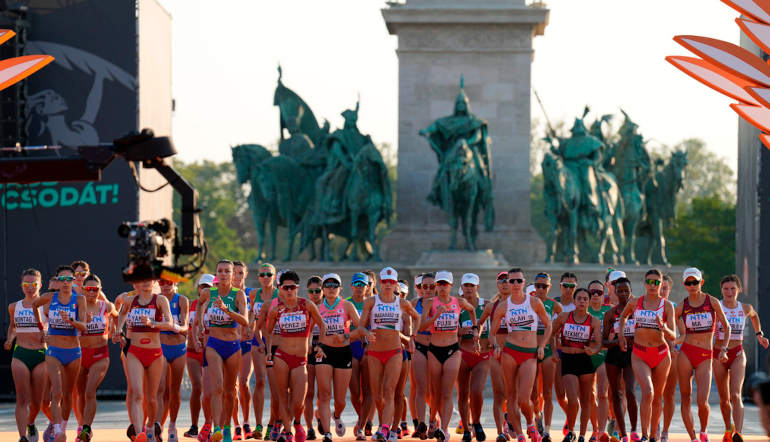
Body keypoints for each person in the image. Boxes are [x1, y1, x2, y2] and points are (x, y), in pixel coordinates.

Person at [261, 270, 326, 442]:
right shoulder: (276, 310)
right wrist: (268, 352)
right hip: (281, 356)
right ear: (280, 289)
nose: (289, 290)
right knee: (282, 395)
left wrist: (320, 345)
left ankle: (297, 422)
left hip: (300, 360)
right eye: (285, 287)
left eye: (292, 287)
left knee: (299, 401)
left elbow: (322, 325)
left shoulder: (307, 305)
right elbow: (268, 333)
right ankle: (287, 431)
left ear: (297, 288)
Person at [358, 267, 421, 442]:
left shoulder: (402, 303)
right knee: (377, 394)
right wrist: (366, 333)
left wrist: (412, 337)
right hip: (375, 353)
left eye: (391, 282)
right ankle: (384, 425)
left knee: (389, 390)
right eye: (384, 281)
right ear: (380, 282)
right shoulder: (371, 301)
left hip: (394, 352)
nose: (387, 284)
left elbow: (417, 317)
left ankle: (386, 428)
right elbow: (361, 325)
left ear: (395, 284)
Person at [491, 268, 552, 442]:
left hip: (529, 354)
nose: (515, 284)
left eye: (519, 281)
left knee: (525, 399)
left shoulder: (534, 302)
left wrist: (542, 346)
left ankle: (531, 424)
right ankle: (519, 434)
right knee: (511, 395)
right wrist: (495, 344)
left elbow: (548, 326)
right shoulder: (503, 306)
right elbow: (492, 332)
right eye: (512, 281)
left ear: (524, 282)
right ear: (508, 283)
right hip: (510, 352)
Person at [115, 269, 175, 442]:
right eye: (142, 279)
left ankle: (150, 427)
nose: (146, 282)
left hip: (155, 353)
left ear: (154, 281)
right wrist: (118, 331)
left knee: (152, 398)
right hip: (135, 352)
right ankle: (139, 431)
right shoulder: (130, 300)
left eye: (149, 279)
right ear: (136, 283)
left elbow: (170, 323)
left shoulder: (160, 300)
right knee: (137, 393)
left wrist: (153, 323)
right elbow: (122, 314)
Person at [419, 271, 478, 441]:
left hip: (453, 349)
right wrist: (436, 315)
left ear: (451, 286)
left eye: (445, 284)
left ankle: (444, 429)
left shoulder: (458, 302)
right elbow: (422, 325)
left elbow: (472, 310)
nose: (442, 287)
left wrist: (475, 329)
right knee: (435, 392)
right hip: (434, 349)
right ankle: (432, 420)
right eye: (439, 284)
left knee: (447, 391)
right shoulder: (430, 303)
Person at [618, 270, 676, 442]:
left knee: (657, 397)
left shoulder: (666, 306)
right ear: (644, 283)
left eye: (656, 283)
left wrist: (663, 327)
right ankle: (644, 435)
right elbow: (623, 318)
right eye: (649, 282)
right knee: (648, 392)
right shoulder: (635, 302)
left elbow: (673, 334)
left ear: (660, 284)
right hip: (640, 353)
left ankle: (652, 436)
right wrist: (621, 335)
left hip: (661, 354)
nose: (652, 285)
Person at [196, 260, 250, 442]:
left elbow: (245, 321)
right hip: (214, 344)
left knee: (230, 390)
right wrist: (199, 326)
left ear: (233, 274)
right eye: (220, 271)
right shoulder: (208, 293)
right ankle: (217, 427)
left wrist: (226, 309)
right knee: (216, 388)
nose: (224, 274)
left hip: (233, 345)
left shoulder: (238, 295)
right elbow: (199, 304)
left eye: (227, 271)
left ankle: (227, 426)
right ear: (216, 274)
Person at [34, 265, 89, 442]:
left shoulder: (79, 299)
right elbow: (34, 306)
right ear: (57, 281)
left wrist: (70, 320)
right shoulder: (50, 297)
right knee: (56, 392)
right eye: (62, 279)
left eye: (69, 279)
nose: (65, 283)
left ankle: (63, 428)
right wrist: (42, 329)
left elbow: (84, 326)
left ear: (73, 281)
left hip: (73, 352)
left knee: (67, 394)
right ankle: (57, 431)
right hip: (54, 351)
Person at [674, 267, 730, 442]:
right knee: (685, 397)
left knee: (702, 401)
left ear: (701, 282)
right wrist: (676, 336)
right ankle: (693, 438)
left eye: (695, 282)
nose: (692, 286)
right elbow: (673, 321)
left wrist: (724, 349)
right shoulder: (682, 305)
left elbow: (727, 327)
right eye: (688, 283)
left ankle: (703, 430)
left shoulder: (711, 301)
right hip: (686, 353)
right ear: (684, 284)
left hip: (706, 355)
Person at [713, 274, 769, 442]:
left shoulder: (744, 307)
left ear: (739, 290)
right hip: (718, 354)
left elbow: (754, 315)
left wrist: (759, 334)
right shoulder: (717, 307)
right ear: (721, 290)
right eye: (725, 289)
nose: (729, 292)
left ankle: (738, 432)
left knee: (736, 394)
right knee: (724, 400)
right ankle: (728, 428)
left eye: (732, 289)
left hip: (737, 352)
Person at [552, 288, 602, 442]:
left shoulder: (593, 320)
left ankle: (581, 434)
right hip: (568, 359)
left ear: (589, 302)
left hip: (584, 360)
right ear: (574, 301)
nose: (582, 301)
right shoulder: (564, 317)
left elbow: (599, 343)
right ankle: (571, 431)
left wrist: (592, 350)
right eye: (579, 298)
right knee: (573, 399)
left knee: (587, 400)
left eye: (585, 299)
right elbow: (551, 333)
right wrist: (554, 351)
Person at [316, 273, 362, 442]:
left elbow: (361, 329)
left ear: (340, 288)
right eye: (327, 285)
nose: (331, 288)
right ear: (323, 289)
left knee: (341, 399)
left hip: (343, 352)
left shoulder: (347, 306)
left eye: (335, 285)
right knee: (325, 394)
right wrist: (315, 346)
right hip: (324, 351)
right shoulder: (316, 306)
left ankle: (336, 415)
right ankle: (327, 433)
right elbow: (308, 331)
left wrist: (347, 336)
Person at [5, 268, 48, 442]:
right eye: (26, 284)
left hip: (40, 354)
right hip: (20, 353)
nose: (30, 287)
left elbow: (53, 326)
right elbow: (13, 326)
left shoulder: (46, 305)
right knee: (22, 397)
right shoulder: (14, 306)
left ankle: (31, 423)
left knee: (37, 402)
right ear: (22, 285)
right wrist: (10, 339)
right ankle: (22, 436)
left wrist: (47, 333)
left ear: (40, 285)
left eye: (33, 284)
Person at [76, 274, 117, 441]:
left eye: (95, 289)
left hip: (100, 355)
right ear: (83, 290)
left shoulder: (106, 306)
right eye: (88, 289)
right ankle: (81, 425)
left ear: (100, 290)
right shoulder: (77, 306)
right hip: (79, 354)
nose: (91, 292)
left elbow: (117, 315)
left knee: (89, 391)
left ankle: (87, 428)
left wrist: (115, 331)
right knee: (80, 393)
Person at [602, 277, 638, 442]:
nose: (623, 294)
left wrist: (634, 340)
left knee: (630, 391)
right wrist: (616, 341)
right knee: (615, 394)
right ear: (615, 293)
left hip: (632, 354)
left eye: (626, 291)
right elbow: (603, 341)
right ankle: (622, 434)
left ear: (631, 292)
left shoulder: (638, 311)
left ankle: (634, 431)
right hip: (614, 355)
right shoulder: (610, 314)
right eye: (620, 291)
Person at [457, 273, 490, 442]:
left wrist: (492, 340)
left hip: (482, 354)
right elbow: (450, 331)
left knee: (476, 391)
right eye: (466, 285)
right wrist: (460, 331)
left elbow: (498, 325)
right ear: (461, 287)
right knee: (463, 393)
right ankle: (466, 428)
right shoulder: (457, 306)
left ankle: (476, 422)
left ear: (477, 287)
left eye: (472, 285)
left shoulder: (487, 306)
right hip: (462, 354)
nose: (469, 288)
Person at [530, 272, 562, 442]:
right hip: (530, 349)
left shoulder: (554, 305)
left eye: (544, 286)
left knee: (548, 393)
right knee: (533, 393)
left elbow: (560, 326)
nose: (541, 289)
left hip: (548, 350)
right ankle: (537, 414)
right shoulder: (528, 302)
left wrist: (556, 348)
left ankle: (547, 431)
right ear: (534, 287)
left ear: (549, 287)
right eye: (538, 286)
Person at [157, 278, 189, 442]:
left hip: (178, 348)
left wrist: (173, 326)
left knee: (174, 391)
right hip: (161, 348)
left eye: (169, 282)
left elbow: (185, 328)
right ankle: (157, 426)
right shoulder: (155, 300)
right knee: (161, 388)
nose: (165, 285)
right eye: (162, 282)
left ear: (175, 283)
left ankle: (172, 425)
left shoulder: (182, 300)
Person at [250, 263, 278, 440]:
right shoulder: (254, 294)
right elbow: (253, 316)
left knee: (277, 386)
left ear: (274, 276)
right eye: (262, 275)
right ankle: (259, 424)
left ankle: (273, 424)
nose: (266, 277)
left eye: (269, 274)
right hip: (258, 339)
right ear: (258, 278)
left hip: (276, 342)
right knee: (259, 381)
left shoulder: (279, 294)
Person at [185, 274, 214, 440]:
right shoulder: (191, 304)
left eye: (209, 287)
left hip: (210, 351)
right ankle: (194, 425)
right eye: (203, 286)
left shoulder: (216, 305)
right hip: (192, 351)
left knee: (209, 391)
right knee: (197, 387)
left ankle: (208, 423)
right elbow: (186, 326)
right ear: (198, 288)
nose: (206, 290)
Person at [410, 272, 435, 439]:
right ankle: (420, 423)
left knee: (434, 389)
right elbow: (408, 326)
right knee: (420, 387)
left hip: (437, 347)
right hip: (419, 346)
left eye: (431, 286)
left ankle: (433, 421)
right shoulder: (413, 303)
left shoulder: (445, 303)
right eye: (423, 286)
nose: (426, 289)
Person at [348, 272, 372, 441]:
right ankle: (361, 418)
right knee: (355, 393)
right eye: (356, 284)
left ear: (367, 287)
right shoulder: (345, 303)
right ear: (351, 286)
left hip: (369, 349)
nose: (358, 287)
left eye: (362, 284)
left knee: (368, 390)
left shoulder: (372, 303)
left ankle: (362, 426)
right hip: (351, 348)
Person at [586, 281, 610, 442]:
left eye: (599, 292)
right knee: (589, 395)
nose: (595, 295)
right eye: (592, 292)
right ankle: (594, 429)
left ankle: (602, 431)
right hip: (586, 355)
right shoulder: (582, 310)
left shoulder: (610, 311)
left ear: (603, 294)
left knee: (602, 393)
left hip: (604, 355)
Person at [233, 261, 254, 441]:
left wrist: (251, 325)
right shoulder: (226, 295)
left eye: (240, 273)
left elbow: (255, 312)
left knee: (244, 381)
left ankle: (247, 421)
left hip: (248, 343)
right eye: (234, 273)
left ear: (245, 274)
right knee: (232, 386)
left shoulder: (251, 293)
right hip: (230, 343)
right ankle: (237, 425)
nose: (237, 276)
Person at [304, 276, 323, 440]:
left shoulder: (328, 306)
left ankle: (321, 415)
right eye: (311, 291)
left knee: (323, 391)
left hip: (324, 347)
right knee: (309, 391)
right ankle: (309, 427)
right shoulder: (305, 306)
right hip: (308, 348)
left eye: (318, 291)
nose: (315, 294)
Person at [659, 274, 677, 442]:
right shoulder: (646, 306)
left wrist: (674, 345)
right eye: (660, 287)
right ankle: (654, 425)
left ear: (669, 290)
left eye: (665, 288)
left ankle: (665, 430)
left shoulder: (675, 308)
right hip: (652, 353)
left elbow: (684, 333)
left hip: (672, 354)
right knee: (652, 393)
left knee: (668, 394)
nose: (661, 291)